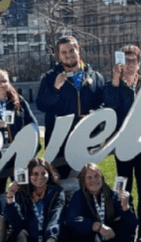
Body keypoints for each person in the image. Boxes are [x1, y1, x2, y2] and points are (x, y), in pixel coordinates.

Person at [104, 44, 141, 242]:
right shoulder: (113, 85)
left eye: (132, 61)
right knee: (123, 188)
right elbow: (111, 106)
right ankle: (128, 227)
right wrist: (116, 82)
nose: (128, 65)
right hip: (122, 144)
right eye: (124, 61)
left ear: (139, 64)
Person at [36, 36, 105, 178]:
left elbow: (102, 105)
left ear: (78, 48)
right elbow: (41, 105)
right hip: (60, 143)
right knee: (60, 185)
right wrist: (55, 88)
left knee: (88, 183)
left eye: (71, 50)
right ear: (59, 55)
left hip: (88, 140)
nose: (68, 55)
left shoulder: (96, 77)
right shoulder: (49, 78)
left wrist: (94, 116)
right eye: (64, 52)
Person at [65, 163, 138, 242]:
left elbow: (132, 225)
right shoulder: (79, 196)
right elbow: (71, 220)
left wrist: (126, 208)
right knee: (87, 231)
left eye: (96, 176)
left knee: (121, 224)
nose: (94, 180)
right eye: (89, 177)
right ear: (83, 181)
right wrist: (97, 226)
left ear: (102, 178)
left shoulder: (113, 195)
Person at [4, 158, 66, 242]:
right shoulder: (21, 194)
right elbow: (16, 223)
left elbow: (56, 217)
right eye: (35, 174)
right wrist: (10, 197)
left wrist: (51, 238)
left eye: (43, 173)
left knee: (63, 231)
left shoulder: (56, 193)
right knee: (18, 233)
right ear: (28, 175)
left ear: (49, 174)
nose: (39, 177)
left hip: (49, 241)